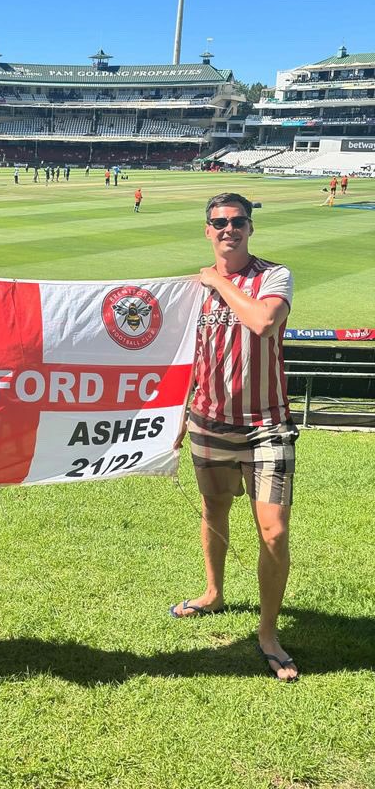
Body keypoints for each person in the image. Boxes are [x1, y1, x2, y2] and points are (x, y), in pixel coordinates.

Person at [170, 193, 299, 682]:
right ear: (208, 230)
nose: (229, 229)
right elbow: (187, 355)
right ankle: (213, 592)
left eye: (238, 221)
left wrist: (218, 282)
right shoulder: (194, 288)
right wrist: (177, 415)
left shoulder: (273, 276)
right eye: (219, 222)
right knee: (214, 510)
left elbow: (264, 322)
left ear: (250, 228)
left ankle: (267, 633)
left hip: (268, 424)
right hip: (209, 420)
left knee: (275, 531)